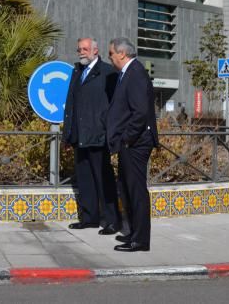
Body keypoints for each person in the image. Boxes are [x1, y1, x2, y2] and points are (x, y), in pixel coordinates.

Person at [62, 37, 121, 235]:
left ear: (96, 50)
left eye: (85, 49)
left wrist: (109, 131)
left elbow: (116, 106)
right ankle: (89, 219)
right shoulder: (77, 71)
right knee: (85, 179)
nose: (81, 52)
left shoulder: (107, 72)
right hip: (80, 136)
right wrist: (67, 134)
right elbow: (70, 104)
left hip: (99, 137)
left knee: (104, 180)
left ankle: (113, 221)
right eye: (79, 49)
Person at [106, 37, 159, 252]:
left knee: (136, 191)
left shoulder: (135, 72)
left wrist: (127, 138)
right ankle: (133, 234)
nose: (109, 58)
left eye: (111, 53)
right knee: (126, 189)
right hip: (129, 143)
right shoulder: (126, 73)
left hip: (136, 143)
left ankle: (140, 240)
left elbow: (140, 112)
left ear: (122, 53)